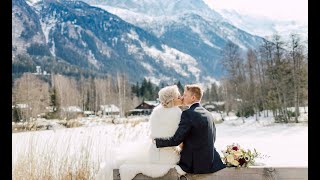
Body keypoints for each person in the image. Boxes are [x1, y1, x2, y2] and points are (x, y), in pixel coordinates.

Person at [95, 85, 186, 180]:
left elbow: (156, 136)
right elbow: (178, 139)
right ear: (171, 100)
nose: (181, 98)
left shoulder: (156, 111)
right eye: (178, 96)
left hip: (153, 156)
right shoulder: (176, 113)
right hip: (168, 159)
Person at [154, 84, 226, 174]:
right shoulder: (208, 114)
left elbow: (176, 140)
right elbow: (213, 138)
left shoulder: (188, 114)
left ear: (193, 98)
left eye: (185, 95)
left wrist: (157, 142)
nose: (182, 97)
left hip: (194, 165)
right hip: (211, 162)